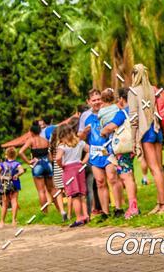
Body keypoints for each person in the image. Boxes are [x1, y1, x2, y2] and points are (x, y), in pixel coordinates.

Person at [128, 64, 164, 214]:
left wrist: (133, 140)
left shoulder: (133, 91)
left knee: (155, 169)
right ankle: (160, 202)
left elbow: (134, 118)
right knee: (159, 167)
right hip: (156, 129)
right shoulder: (152, 89)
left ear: (134, 75)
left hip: (145, 132)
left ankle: (163, 204)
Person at [79, 88, 124, 219]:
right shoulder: (85, 117)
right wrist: (84, 133)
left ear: (102, 99)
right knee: (99, 182)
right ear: (88, 102)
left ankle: (119, 208)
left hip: (110, 150)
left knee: (112, 178)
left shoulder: (111, 110)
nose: (97, 102)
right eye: (94, 100)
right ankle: (105, 212)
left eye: (99, 99)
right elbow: (79, 138)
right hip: (95, 153)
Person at [100, 87, 139, 220]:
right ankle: (134, 205)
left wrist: (103, 131)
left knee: (126, 177)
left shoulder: (122, 113)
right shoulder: (136, 110)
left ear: (122, 99)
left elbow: (109, 127)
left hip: (124, 149)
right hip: (135, 146)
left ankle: (133, 208)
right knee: (130, 176)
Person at [19, 121, 66, 219]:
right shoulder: (45, 140)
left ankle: (45, 213)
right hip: (48, 165)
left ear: (31, 132)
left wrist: (28, 161)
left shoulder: (31, 140)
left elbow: (20, 152)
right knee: (52, 189)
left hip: (37, 165)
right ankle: (59, 209)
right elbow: (50, 154)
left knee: (41, 191)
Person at [55, 123, 89, 228]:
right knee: (82, 194)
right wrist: (83, 161)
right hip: (79, 167)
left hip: (69, 169)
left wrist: (62, 166)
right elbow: (89, 150)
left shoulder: (62, 146)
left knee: (74, 195)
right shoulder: (80, 142)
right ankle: (86, 215)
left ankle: (79, 218)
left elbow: (58, 158)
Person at [0, 147, 24, 228]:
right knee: (14, 201)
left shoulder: (3, 164)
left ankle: (2, 222)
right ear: (15, 155)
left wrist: (1, 176)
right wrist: (17, 175)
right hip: (14, 184)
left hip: (5, 185)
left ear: (6, 155)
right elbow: (22, 171)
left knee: (4, 203)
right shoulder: (17, 163)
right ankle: (13, 221)